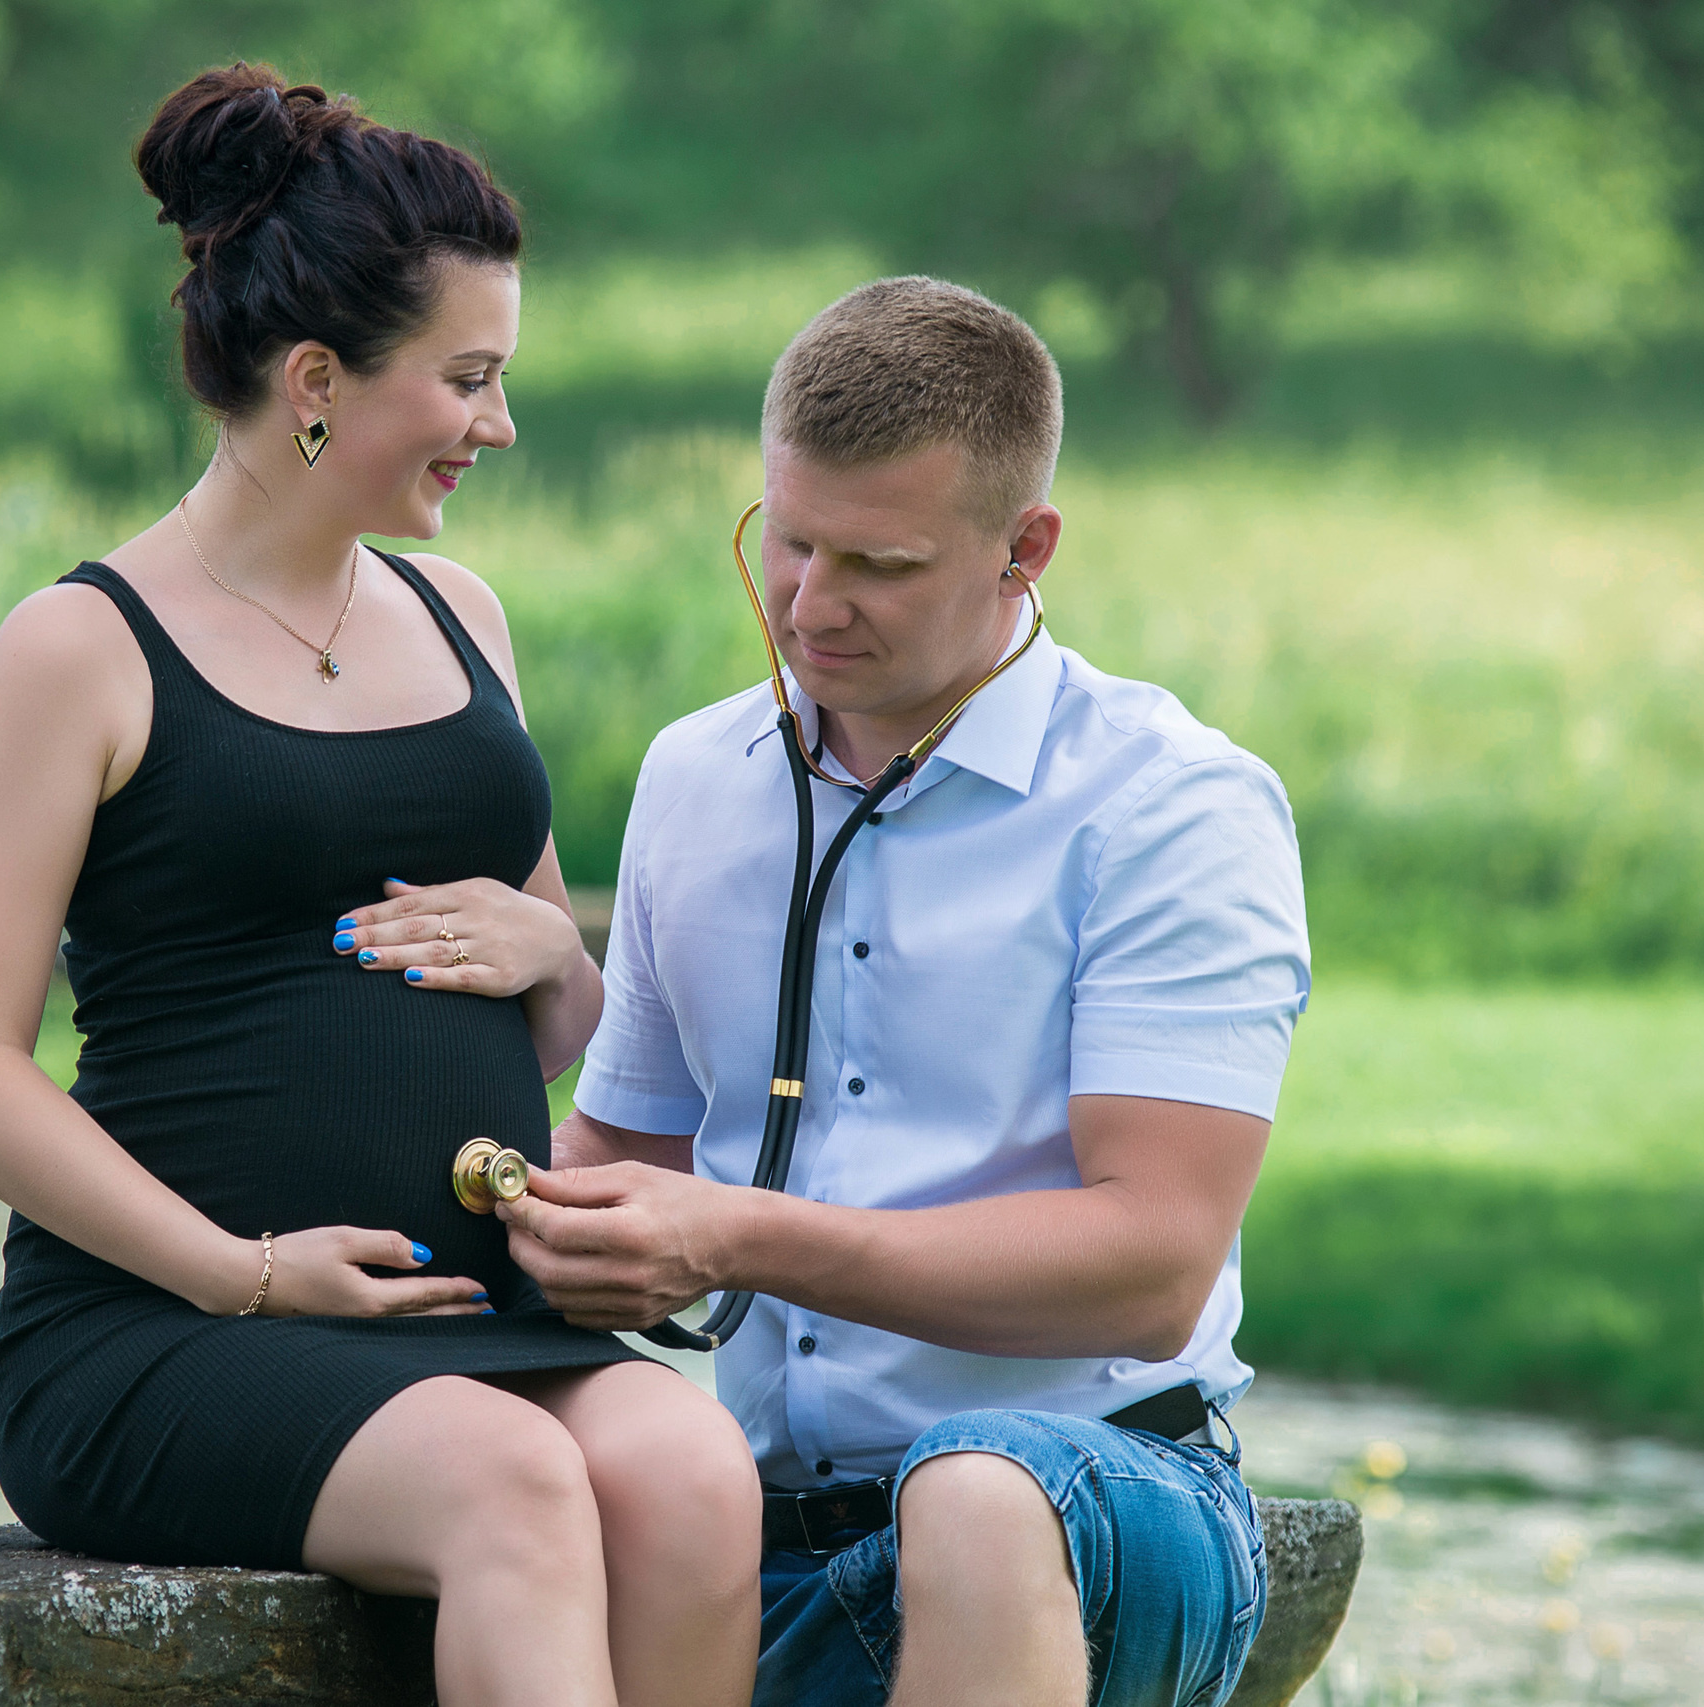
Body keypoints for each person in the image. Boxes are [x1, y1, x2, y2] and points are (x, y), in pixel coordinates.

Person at [0, 63, 759, 1707]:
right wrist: (248, 1271)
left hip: (464, 1311)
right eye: (468, 378)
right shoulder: (80, 648)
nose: (499, 425)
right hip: (169, 1329)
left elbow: (554, 1018)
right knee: (513, 1488)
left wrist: (547, 952)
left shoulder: (461, 620)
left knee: (694, 1471)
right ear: (315, 379)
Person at [495, 277, 1310, 1707]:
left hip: (1109, 1497)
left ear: (1025, 547)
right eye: (787, 541)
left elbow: (1153, 1264)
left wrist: (746, 1236)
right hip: (759, 1532)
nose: (812, 607)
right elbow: (621, 1161)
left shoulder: (1174, 805)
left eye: (878, 564)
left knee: (977, 1490)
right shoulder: (697, 775)